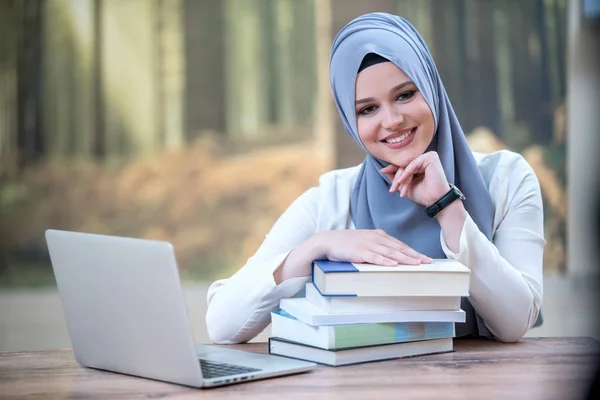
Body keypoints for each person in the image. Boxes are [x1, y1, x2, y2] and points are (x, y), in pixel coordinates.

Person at [205, 12, 544, 344]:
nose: (392, 120)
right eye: (367, 109)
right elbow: (222, 324)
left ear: (430, 87)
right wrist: (315, 247)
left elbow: (514, 323)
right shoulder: (330, 200)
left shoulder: (506, 179)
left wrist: (448, 208)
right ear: (350, 121)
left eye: (405, 94)